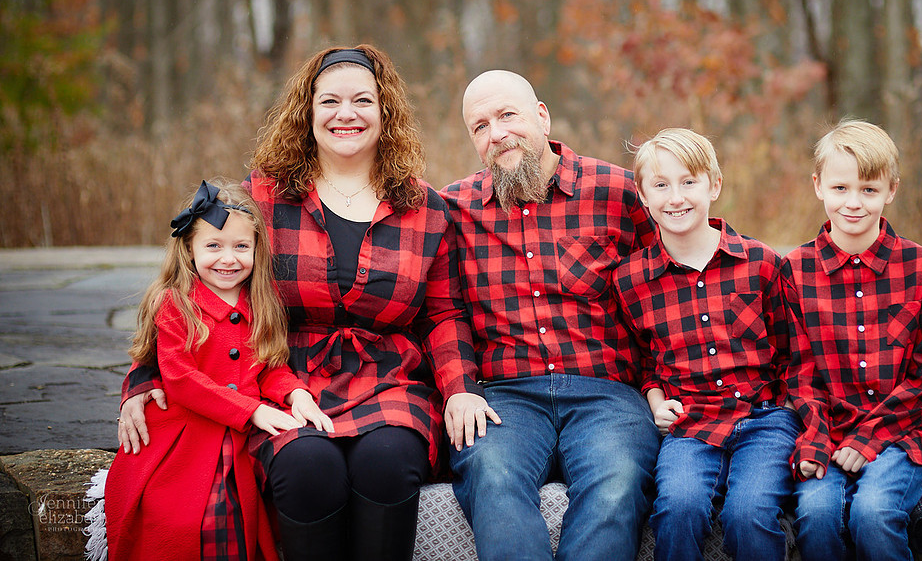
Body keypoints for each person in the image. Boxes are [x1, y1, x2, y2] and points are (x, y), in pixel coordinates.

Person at [117, 45, 489, 561]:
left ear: (385, 112)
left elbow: (443, 314)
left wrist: (460, 389)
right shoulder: (263, 196)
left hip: (389, 379)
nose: (345, 114)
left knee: (387, 464)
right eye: (329, 101)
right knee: (308, 468)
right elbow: (190, 284)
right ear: (307, 112)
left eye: (362, 101)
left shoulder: (423, 207)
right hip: (283, 377)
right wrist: (143, 378)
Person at [440, 69, 661, 561]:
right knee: (492, 475)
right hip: (505, 396)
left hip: (607, 393)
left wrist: (656, 385)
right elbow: (444, 309)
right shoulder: (453, 208)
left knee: (618, 480)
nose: (497, 134)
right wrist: (459, 387)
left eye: (507, 115)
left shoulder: (619, 192)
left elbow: (666, 292)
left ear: (542, 116)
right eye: (480, 126)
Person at [105, 180, 332, 560]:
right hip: (185, 433)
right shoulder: (175, 303)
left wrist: (296, 394)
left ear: (257, 249)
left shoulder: (261, 303)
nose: (228, 259)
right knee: (184, 519)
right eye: (213, 246)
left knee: (243, 516)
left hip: (238, 436)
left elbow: (268, 368)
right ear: (189, 249)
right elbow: (179, 379)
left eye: (241, 247)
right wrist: (253, 410)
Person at [611, 128, 804, 561]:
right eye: (661, 185)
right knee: (677, 509)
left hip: (764, 418)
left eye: (688, 182)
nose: (676, 197)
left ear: (714, 185)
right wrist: (656, 400)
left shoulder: (761, 263)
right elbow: (643, 362)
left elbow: (791, 350)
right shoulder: (630, 280)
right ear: (643, 196)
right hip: (690, 424)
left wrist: (790, 409)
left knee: (749, 514)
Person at [783, 119, 922, 561]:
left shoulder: (920, 267)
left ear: (891, 190)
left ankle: (915, 486)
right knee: (816, 514)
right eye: (840, 188)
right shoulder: (795, 270)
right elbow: (800, 374)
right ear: (818, 186)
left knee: (873, 514)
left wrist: (868, 438)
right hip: (829, 430)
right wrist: (817, 438)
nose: (853, 203)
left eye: (869, 190)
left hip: (903, 431)